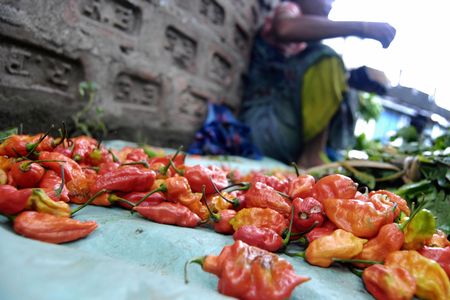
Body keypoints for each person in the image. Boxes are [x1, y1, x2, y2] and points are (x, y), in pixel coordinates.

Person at [240, 0, 396, 168]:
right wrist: (362, 27)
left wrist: (354, 79)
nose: (331, 5)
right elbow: (285, 28)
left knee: (343, 81)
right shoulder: (289, 9)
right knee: (327, 58)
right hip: (266, 130)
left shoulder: (303, 44)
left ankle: (317, 153)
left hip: (287, 134)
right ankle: (312, 156)